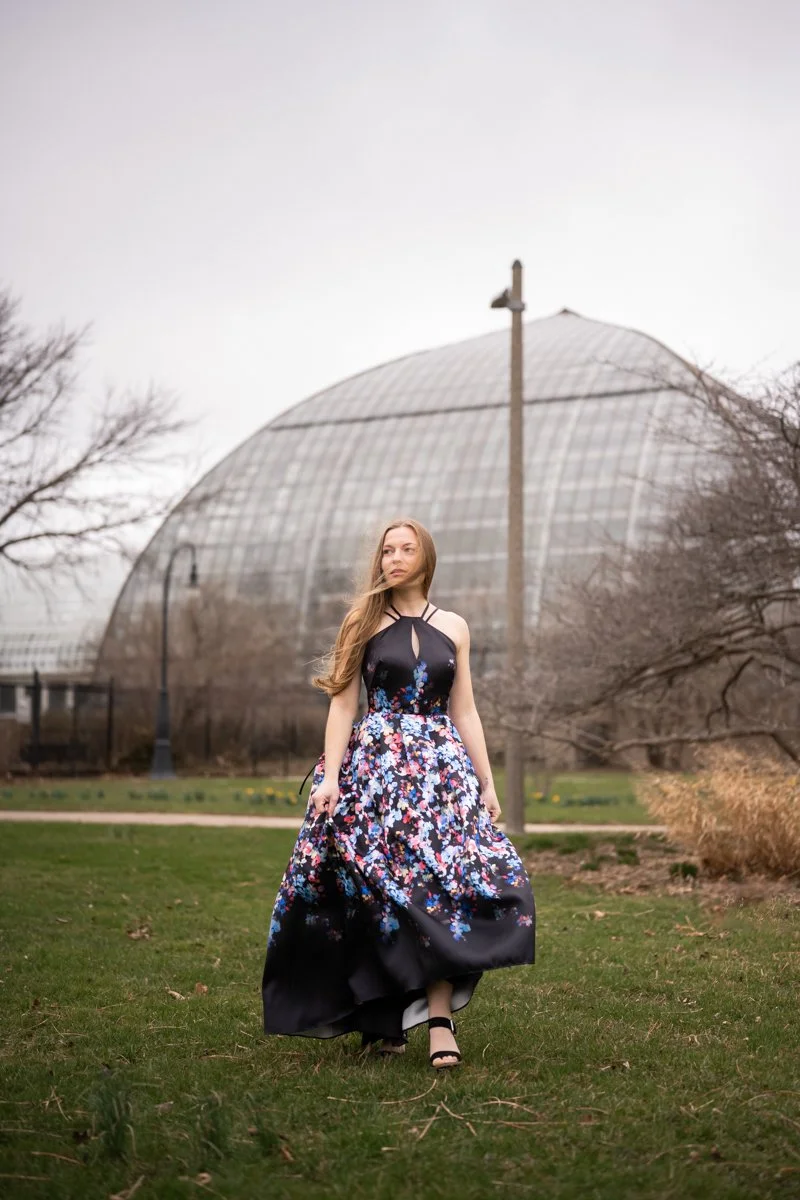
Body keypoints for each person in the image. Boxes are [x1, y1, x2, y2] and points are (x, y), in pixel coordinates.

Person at [261, 517, 535, 1070]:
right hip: (376, 773)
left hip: (440, 775)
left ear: (425, 559)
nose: (395, 558)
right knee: (380, 892)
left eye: (407, 549)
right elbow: (343, 704)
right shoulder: (360, 622)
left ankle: (440, 1020)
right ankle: (383, 1019)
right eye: (388, 550)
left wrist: (485, 781)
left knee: (441, 890)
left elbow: (465, 710)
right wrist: (331, 778)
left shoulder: (454, 626)